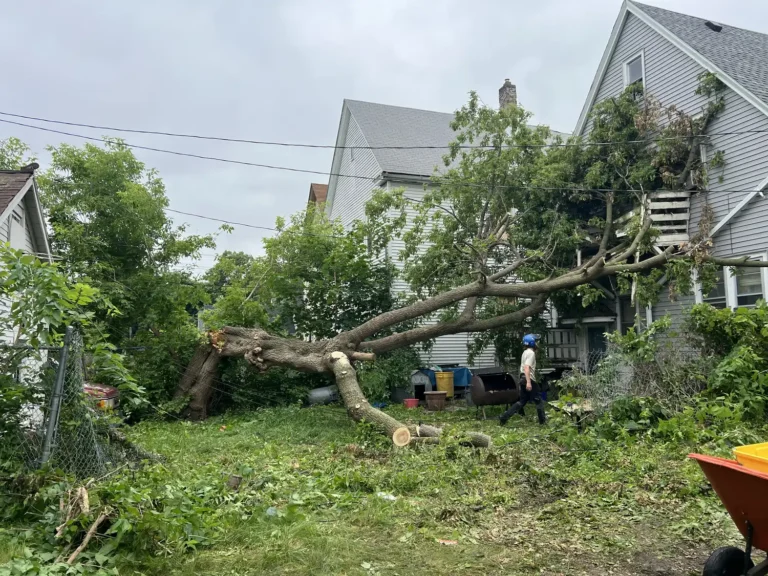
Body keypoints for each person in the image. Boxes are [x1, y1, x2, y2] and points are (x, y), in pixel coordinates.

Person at [499, 334, 546, 426]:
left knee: (522, 401)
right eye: (536, 341)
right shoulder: (531, 353)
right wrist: (529, 382)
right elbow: (527, 367)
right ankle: (542, 422)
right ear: (532, 343)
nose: (538, 343)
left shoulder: (525, 352)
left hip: (522, 378)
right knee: (539, 400)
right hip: (528, 379)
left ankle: (504, 417)